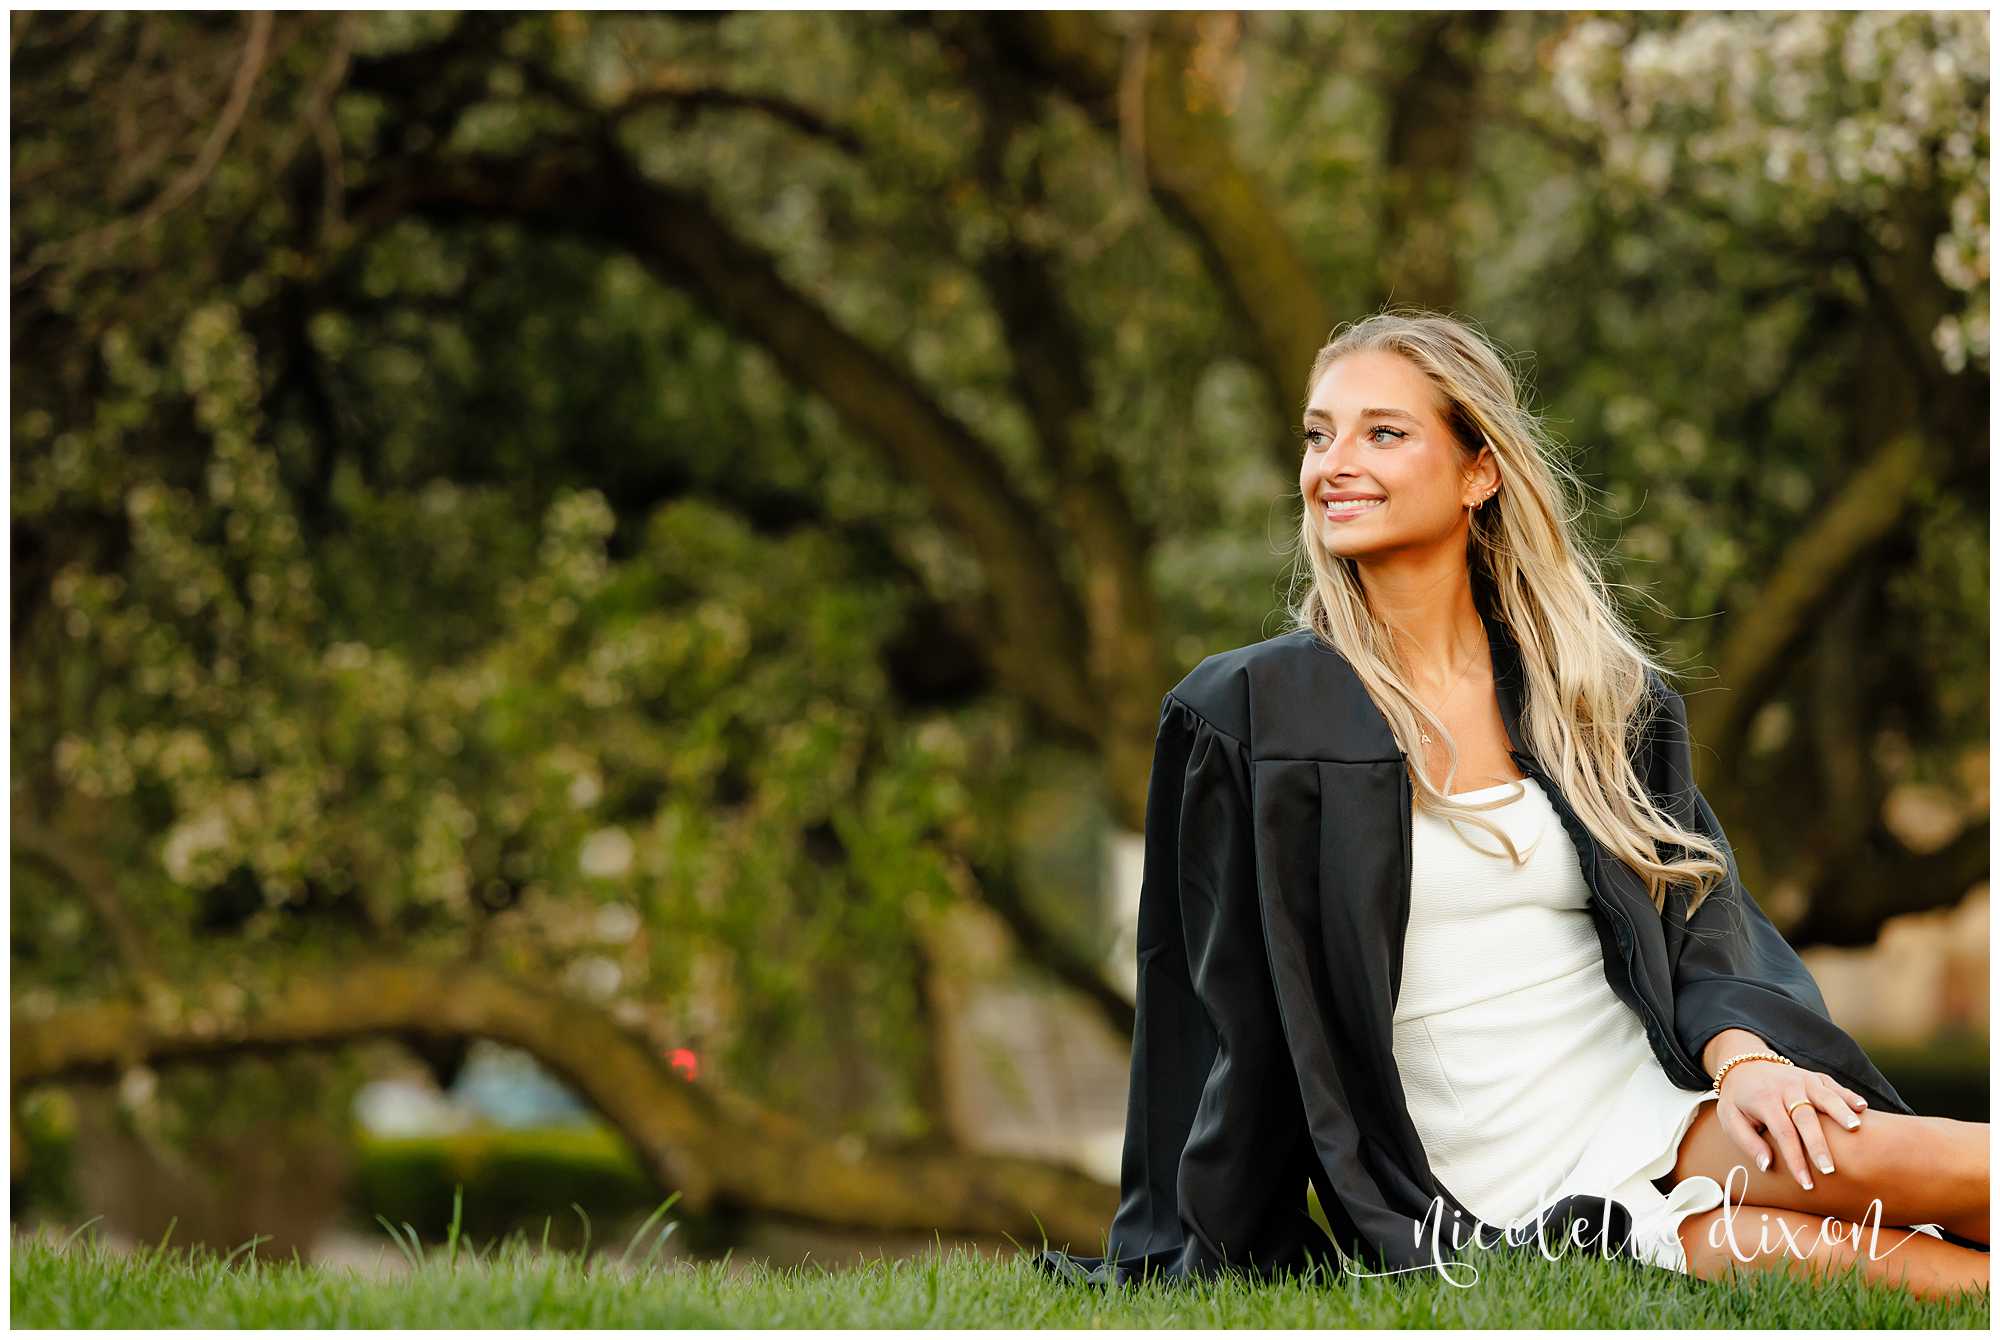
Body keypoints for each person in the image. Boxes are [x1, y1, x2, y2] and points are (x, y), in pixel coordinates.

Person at [1039, 310, 1988, 1300]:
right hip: (1500, 1182)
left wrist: (1743, 1054)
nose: (1333, 463)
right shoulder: (1251, 717)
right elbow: (1205, 1005)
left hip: (1658, 1101)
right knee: (1934, 1280)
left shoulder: (1590, 696)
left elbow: (1696, 905)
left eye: (1382, 432)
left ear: (1476, 471)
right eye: (1318, 434)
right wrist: (1171, 1242)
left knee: (1971, 1170)